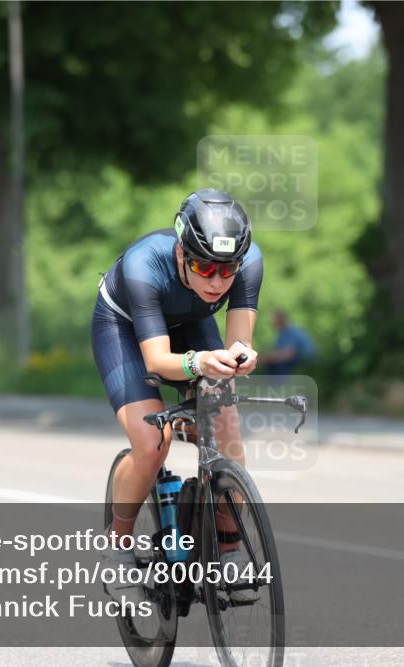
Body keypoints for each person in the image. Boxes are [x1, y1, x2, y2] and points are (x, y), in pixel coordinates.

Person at [92, 188, 262, 604]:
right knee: (153, 443)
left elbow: (238, 344)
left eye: (228, 270)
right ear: (182, 253)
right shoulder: (142, 265)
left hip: (190, 326)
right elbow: (157, 360)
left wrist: (240, 358)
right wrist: (201, 364)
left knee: (229, 433)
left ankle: (228, 546)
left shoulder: (250, 263)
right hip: (127, 331)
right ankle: (118, 547)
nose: (217, 281)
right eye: (204, 267)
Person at [258, 309, 316, 376]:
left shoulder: (292, 331)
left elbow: (289, 354)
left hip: (306, 362)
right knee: (270, 364)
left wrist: (266, 358)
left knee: (277, 365)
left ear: (281, 320)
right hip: (296, 362)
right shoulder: (281, 334)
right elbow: (279, 352)